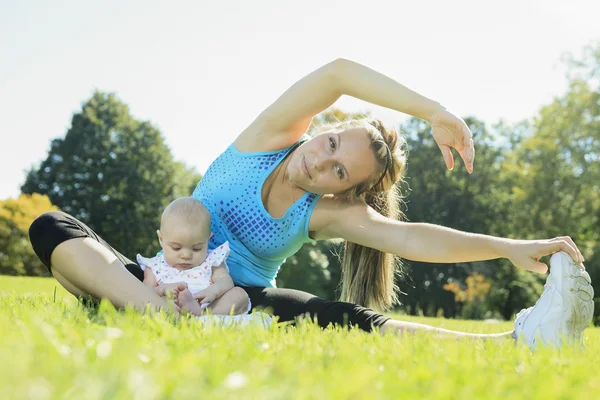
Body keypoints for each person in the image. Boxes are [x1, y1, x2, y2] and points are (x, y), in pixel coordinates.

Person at [29, 58, 593, 348]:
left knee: (338, 318)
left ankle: (511, 342)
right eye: (329, 145)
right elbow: (338, 72)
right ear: (324, 129)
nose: (320, 163)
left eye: (338, 171)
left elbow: (412, 237)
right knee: (53, 227)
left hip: (236, 302)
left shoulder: (324, 212)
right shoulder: (269, 138)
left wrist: (511, 247)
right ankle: (163, 317)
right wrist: (432, 111)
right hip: (160, 280)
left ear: (343, 190)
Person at [137, 197, 250, 316]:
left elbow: (225, 280)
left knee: (240, 294)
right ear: (161, 239)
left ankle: (202, 314)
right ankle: (182, 313)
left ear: (208, 240)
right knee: (157, 302)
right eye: (176, 248)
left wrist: (213, 291)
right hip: (173, 305)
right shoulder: (154, 266)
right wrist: (162, 289)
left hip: (208, 305)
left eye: (196, 249)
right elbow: (145, 292)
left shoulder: (211, 260)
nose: (186, 255)